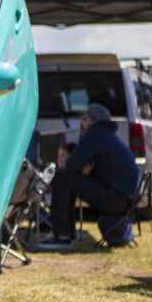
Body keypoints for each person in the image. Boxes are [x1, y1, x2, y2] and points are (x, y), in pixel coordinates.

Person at [43, 104, 139, 245]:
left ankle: (62, 234)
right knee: (68, 179)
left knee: (61, 177)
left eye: (84, 119)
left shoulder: (95, 133)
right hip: (126, 200)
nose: (80, 123)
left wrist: (81, 168)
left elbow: (70, 166)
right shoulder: (108, 135)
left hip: (116, 198)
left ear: (94, 121)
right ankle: (67, 232)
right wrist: (83, 170)